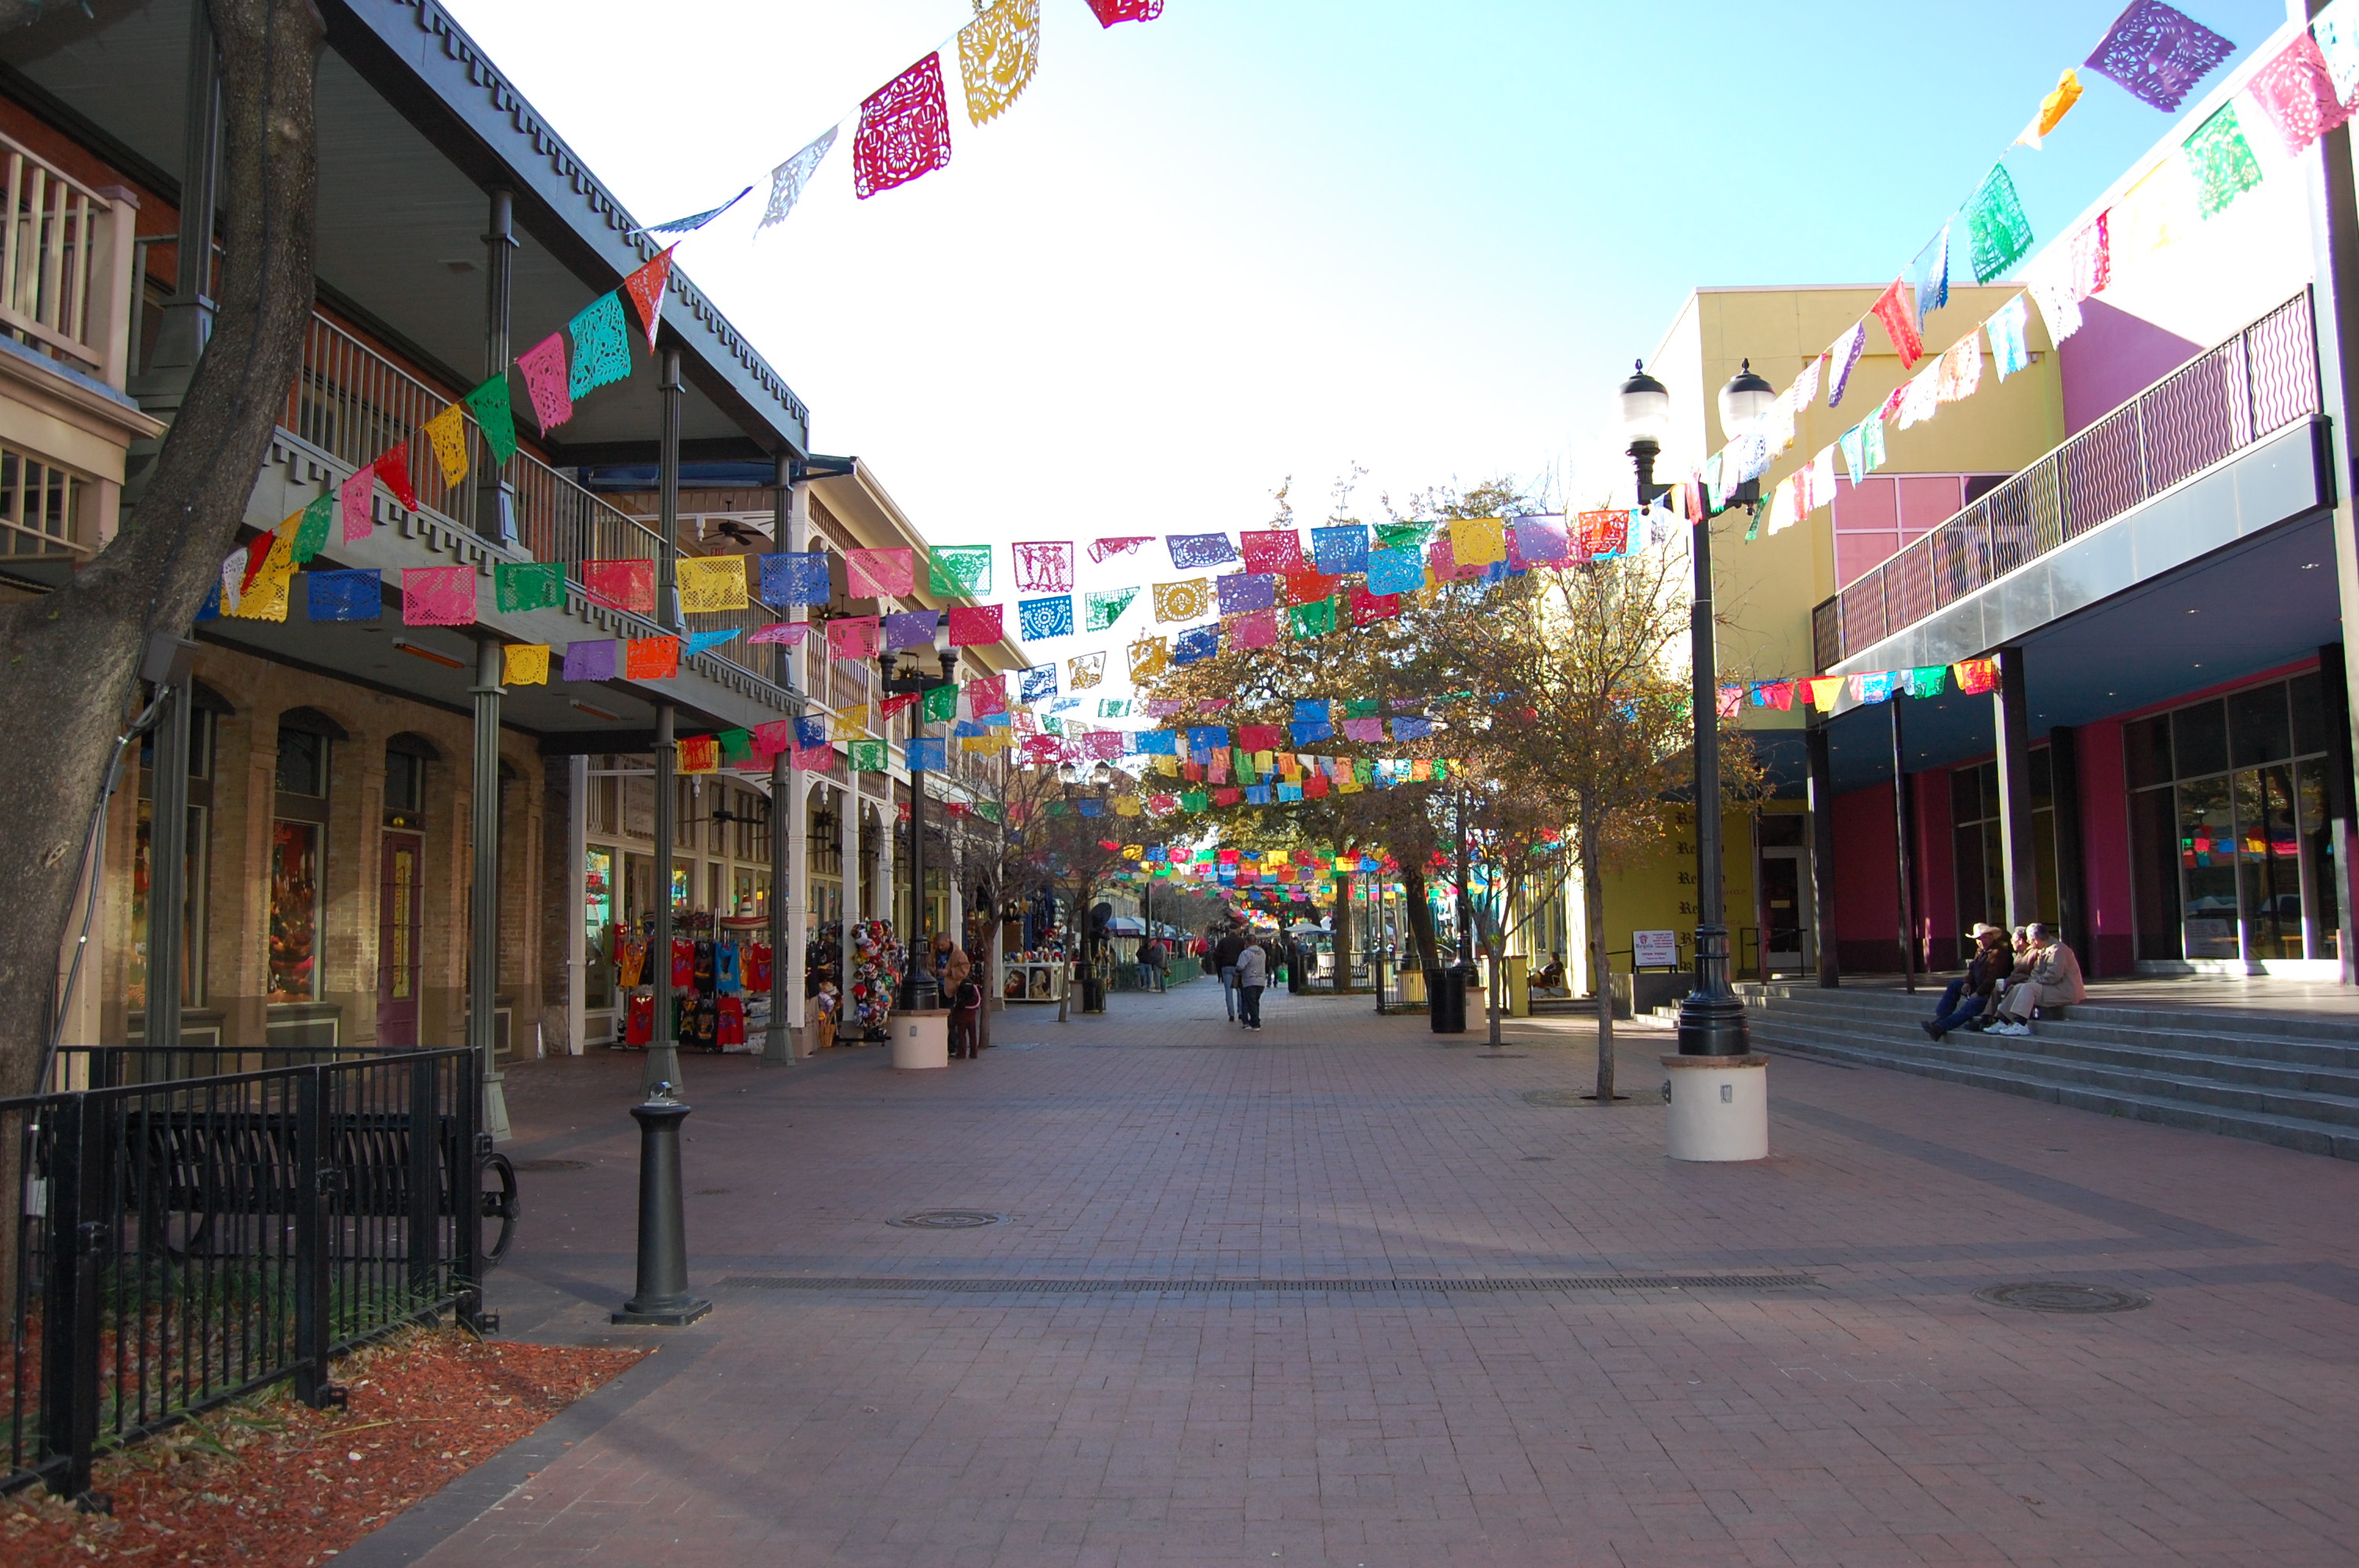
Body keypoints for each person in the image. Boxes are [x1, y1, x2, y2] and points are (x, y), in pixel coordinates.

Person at [1986, 923, 2085, 1034]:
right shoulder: (2044, 949)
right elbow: (2036, 971)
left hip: (2066, 991)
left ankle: (2021, 1023)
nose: (2028, 942)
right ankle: (2003, 1021)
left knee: (2029, 988)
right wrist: (2032, 981)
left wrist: (2033, 982)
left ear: (2035, 940)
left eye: (2029, 940)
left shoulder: (2057, 950)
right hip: (2052, 988)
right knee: (2019, 987)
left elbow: (2053, 977)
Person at [1925, 925, 2008, 1040]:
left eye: (1983, 938)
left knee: (1970, 1007)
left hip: (1991, 993)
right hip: (1979, 986)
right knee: (1955, 985)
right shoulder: (1980, 952)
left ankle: (1940, 1027)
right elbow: (1972, 970)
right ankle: (1941, 1017)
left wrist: (1978, 993)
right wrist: (1967, 982)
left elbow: (1991, 980)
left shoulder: (1998, 953)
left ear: (1991, 937)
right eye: (1978, 939)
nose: (1981, 942)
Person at [1212, 926, 1249, 1022]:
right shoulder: (1241, 941)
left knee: (1228, 992)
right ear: (1237, 931)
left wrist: (1221, 962)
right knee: (1240, 991)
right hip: (1238, 967)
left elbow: (1216, 954)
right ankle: (1241, 1012)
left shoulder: (1223, 941)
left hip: (1226, 967)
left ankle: (1231, 1014)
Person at [1235, 937, 1268, 1030]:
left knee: (1251, 1002)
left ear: (1247, 942)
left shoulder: (1246, 953)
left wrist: (1237, 971)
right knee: (1255, 1001)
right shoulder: (1262, 952)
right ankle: (1255, 1020)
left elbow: (1240, 966)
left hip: (1250, 980)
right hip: (1261, 980)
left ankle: (1256, 1024)